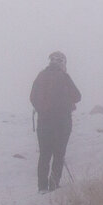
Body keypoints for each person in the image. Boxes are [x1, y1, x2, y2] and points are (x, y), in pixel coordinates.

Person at [30, 51, 81, 192]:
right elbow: (77, 96)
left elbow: (32, 97)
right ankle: (54, 184)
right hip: (62, 121)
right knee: (59, 154)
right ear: (63, 63)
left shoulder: (41, 76)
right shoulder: (64, 77)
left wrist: (42, 109)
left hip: (44, 121)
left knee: (44, 154)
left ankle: (42, 187)